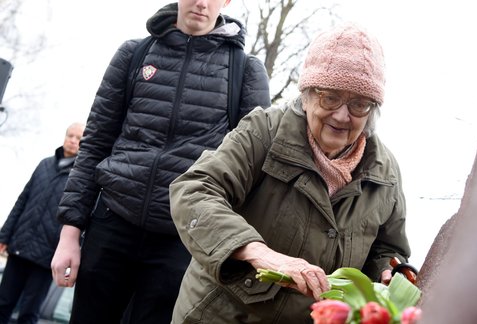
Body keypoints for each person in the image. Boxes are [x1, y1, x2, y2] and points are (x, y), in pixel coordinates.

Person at [169, 23, 411, 323]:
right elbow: (194, 190)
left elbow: (388, 249)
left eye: (359, 104)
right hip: (222, 315)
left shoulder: (385, 173)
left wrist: (391, 272)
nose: (342, 115)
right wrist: (259, 253)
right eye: (330, 97)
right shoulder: (263, 132)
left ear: (372, 109)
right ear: (307, 94)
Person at [49, 1, 271, 323]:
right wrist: (70, 234)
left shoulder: (246, 70)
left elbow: (249, 171)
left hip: (182, 239)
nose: (200, 3)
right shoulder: (134, 54)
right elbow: (95, 142)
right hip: (112, 224)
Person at [0, 122, 85, 324]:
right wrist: (4, 236)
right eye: (70, 135)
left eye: (79, 138)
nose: (73, 141)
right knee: (3, 304)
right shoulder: (44, 164)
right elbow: (23, 200)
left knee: (29, 313)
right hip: (20, 247)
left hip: (47, 257)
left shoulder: (82, 176)